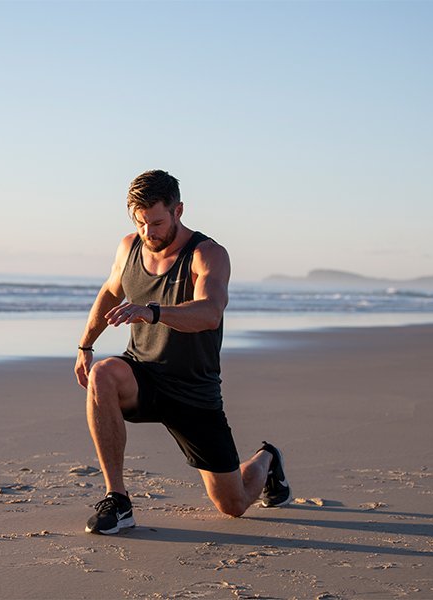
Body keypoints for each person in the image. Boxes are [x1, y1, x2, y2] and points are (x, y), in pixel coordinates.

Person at [74, 169, 290, 535]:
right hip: (142, 375)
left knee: (233, 505)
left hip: (193, 391)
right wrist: (85, 345)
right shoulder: (129, 247)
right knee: (104, 373)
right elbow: (111, 292)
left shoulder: (208, 254)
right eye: (141, 224)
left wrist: (153, 311)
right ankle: (118, 500)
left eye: (157, 222)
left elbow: (209, 312)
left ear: (178, 211)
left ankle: (267, 459)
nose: (149, 233)